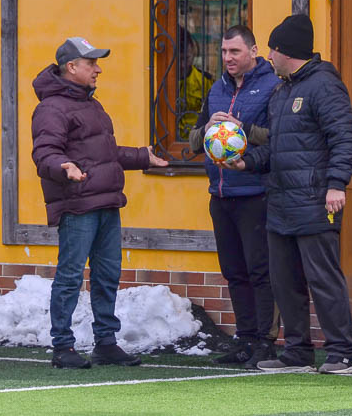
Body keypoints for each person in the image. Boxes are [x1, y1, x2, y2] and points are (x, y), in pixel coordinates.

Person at [225, 14, 352, 374]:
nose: (269, 55)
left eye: (273, 49)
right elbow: (278, 149)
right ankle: (297, 351)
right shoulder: (283, 90)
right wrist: (246, 162)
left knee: (323, 278)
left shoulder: (324, 86)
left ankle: (341, 353)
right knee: (285, 282)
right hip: (281, 204)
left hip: (315, 201)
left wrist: (335, 184)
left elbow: (345, 139)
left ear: (286, 52)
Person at [31, 37, 169, 369]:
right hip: (78, 206)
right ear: (71, 67)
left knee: (107, 275)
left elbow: (104, 154)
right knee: (70, 276)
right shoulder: (51, 108)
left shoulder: (91, 104)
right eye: (91, 63)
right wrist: (64, 168)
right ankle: (63, 347)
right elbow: (45, 153)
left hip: (106, 204)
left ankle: (106, 343)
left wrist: (142, 157)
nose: (98, 69)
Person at [188, 25, 281, 370]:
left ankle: (265, 343)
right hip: (221, 194)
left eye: (235, 52)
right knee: (234, 272)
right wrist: (210, 127)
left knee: (260, 271)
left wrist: (242, 131)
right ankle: (244, 339)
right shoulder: (216, 89)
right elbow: (194, 140)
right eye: (224, 52)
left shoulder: (272, 88)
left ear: (253, 51)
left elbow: (280, 139)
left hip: (256, 194)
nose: (228, 58)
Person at [178, 26, 214, 140]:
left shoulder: (205, 81)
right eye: (179, 59)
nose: (183, 64)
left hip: (199, 142)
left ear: (193, 51)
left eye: (186, 58)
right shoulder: (164, 82)